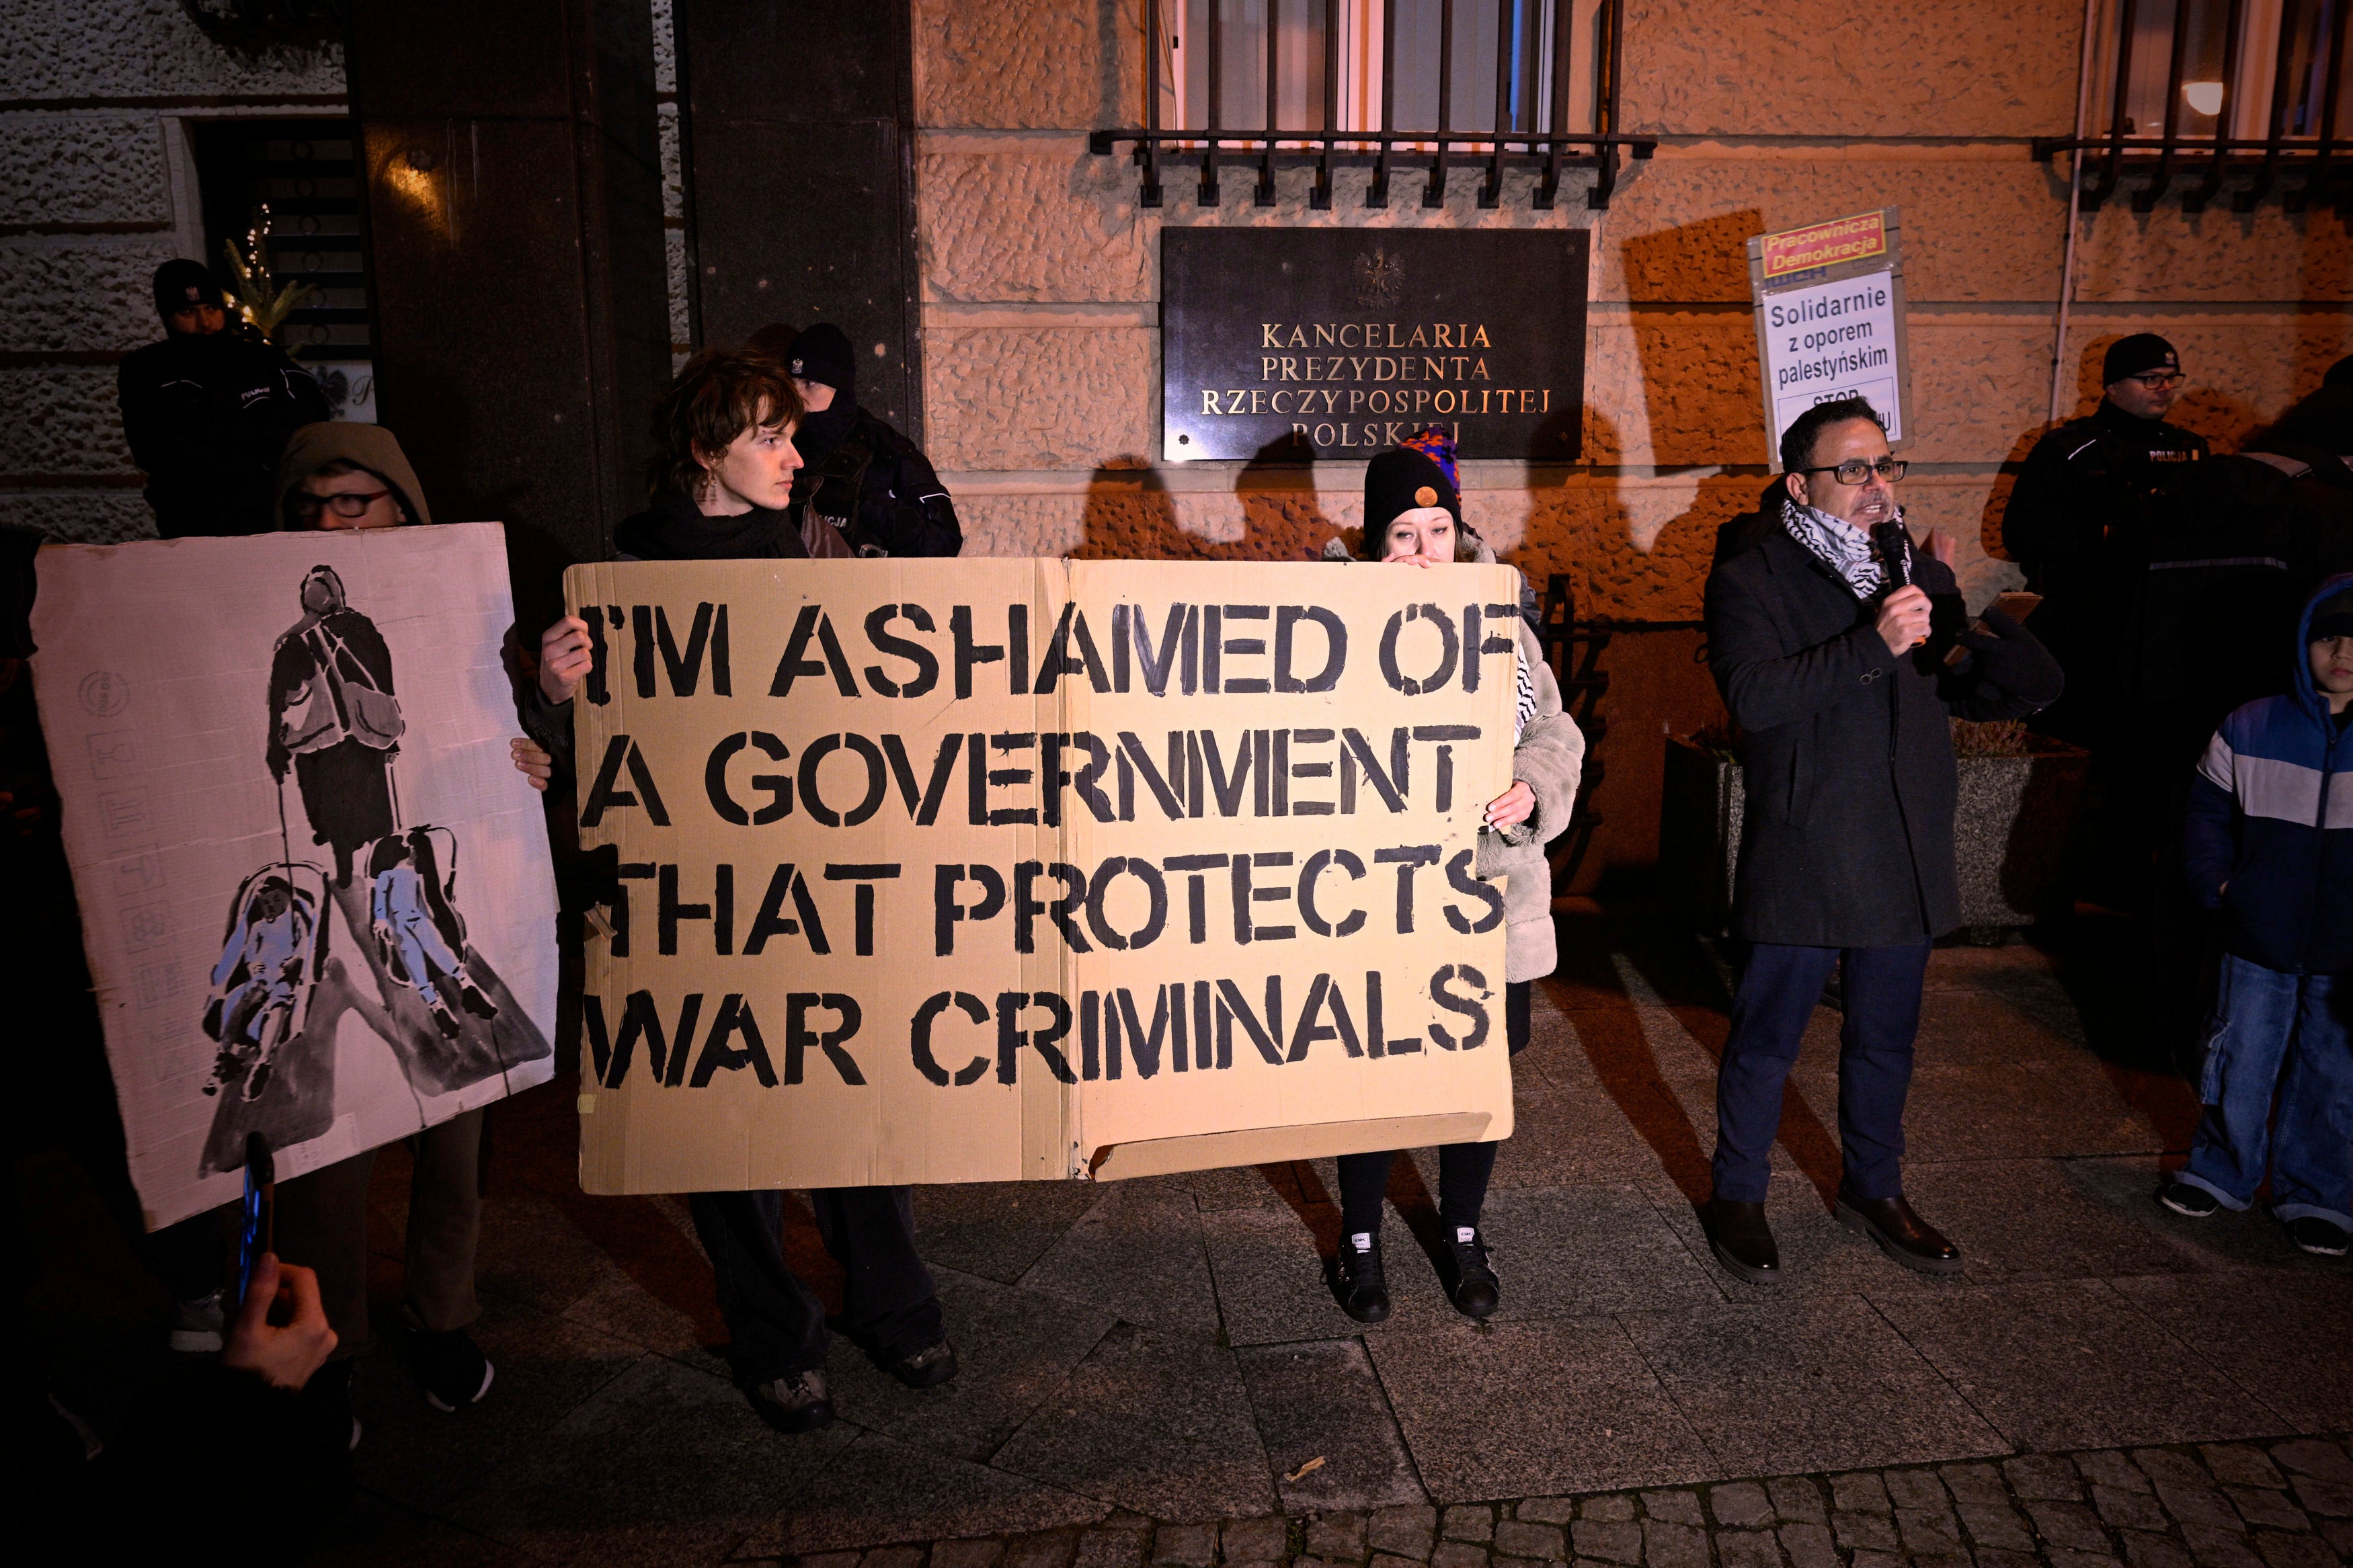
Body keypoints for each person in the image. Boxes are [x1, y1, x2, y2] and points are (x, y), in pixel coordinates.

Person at [522, 349, 957, 1434]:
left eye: (791, 436)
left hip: (817, 880)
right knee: (729, 1119)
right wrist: (554, 695)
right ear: (707, 451)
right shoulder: (619, 582)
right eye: (770, 436)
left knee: (857, 1093)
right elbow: (586, 761)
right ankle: (775, 1331)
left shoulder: (819, 555)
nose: (794, 455)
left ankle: (894, 1299)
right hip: (692, 899)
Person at [1702, 397, 2064, 1282]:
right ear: (1801, 484)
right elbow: (1756, 699)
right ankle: (1738, 1196)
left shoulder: (1914, 572)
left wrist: (1989, 640)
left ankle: (1874, 1186)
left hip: (1902, 846)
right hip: (1808, 843)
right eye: (1853, 470)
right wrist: (1874, 641)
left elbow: (1971, 692)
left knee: (1885, 1040)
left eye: (1886, 466)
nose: (1876, 486)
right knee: (1765, 1039)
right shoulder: (1752, 576)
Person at [264, 421, 502, 1437]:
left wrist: (540, 722)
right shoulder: (278, 631)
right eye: (313, 507)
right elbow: (269, 723)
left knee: (455, 1121)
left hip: (415, 857)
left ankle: (443, 1315)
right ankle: (332, 1341)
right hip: (325, 825)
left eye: (353, 501)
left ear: (402, 507)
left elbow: (484, 713)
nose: (333, 525)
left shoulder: (442, 603)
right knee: (327, 1140)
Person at [1317, 429, 1586, 1321]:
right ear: (1373, 546)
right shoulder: (1327, 631)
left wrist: (1530, 786)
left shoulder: (1503, 624)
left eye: (1436, 534)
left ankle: (1463, 1228)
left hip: (1490, 901)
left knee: (1477, 1078)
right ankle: (1360, 1237)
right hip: (1377, 902)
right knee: (1371, 1077)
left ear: (1461, 537)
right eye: (1401, 535)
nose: (1423, 552)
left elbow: (1555, 730)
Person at [2162, 577, 2353, 1257]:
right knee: (2236, 1054)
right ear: (2304, 643)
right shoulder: (2250, 723)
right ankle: (2220, 1169)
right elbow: (2207, 811)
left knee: (2333, 1071)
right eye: (2328, 636)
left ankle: (2318, 1192)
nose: (2342, 652)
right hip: (2256, 930)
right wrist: (2217, 884)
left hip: (2343, 947)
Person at [2001, 333, 2207, 747]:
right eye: (2149, 379)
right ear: (2112, 386)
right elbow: (2021, 537)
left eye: (2171, 378)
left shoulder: (2190, 450)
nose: (2164, 388)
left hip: (2162, 632)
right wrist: (2109, 533)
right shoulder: (2071, 448)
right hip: (2085, 631)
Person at [116, 259, 329, 538]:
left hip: (270, 520)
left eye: (211, 309)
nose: (205, 323)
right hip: (192, 527)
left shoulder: (259, 358)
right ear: (168, 317)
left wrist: (229, 439)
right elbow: (158, 452)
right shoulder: (146, 370)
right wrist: (251, 440)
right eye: (188, 311)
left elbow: (312, 416)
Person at [747, 321, 962, 559]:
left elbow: (945, 542)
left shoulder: (887, 450)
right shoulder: (774, 446)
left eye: (809, 384)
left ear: (841, 389)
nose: (797, 398)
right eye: (791, 386)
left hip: (871, 591)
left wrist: (865, 504)